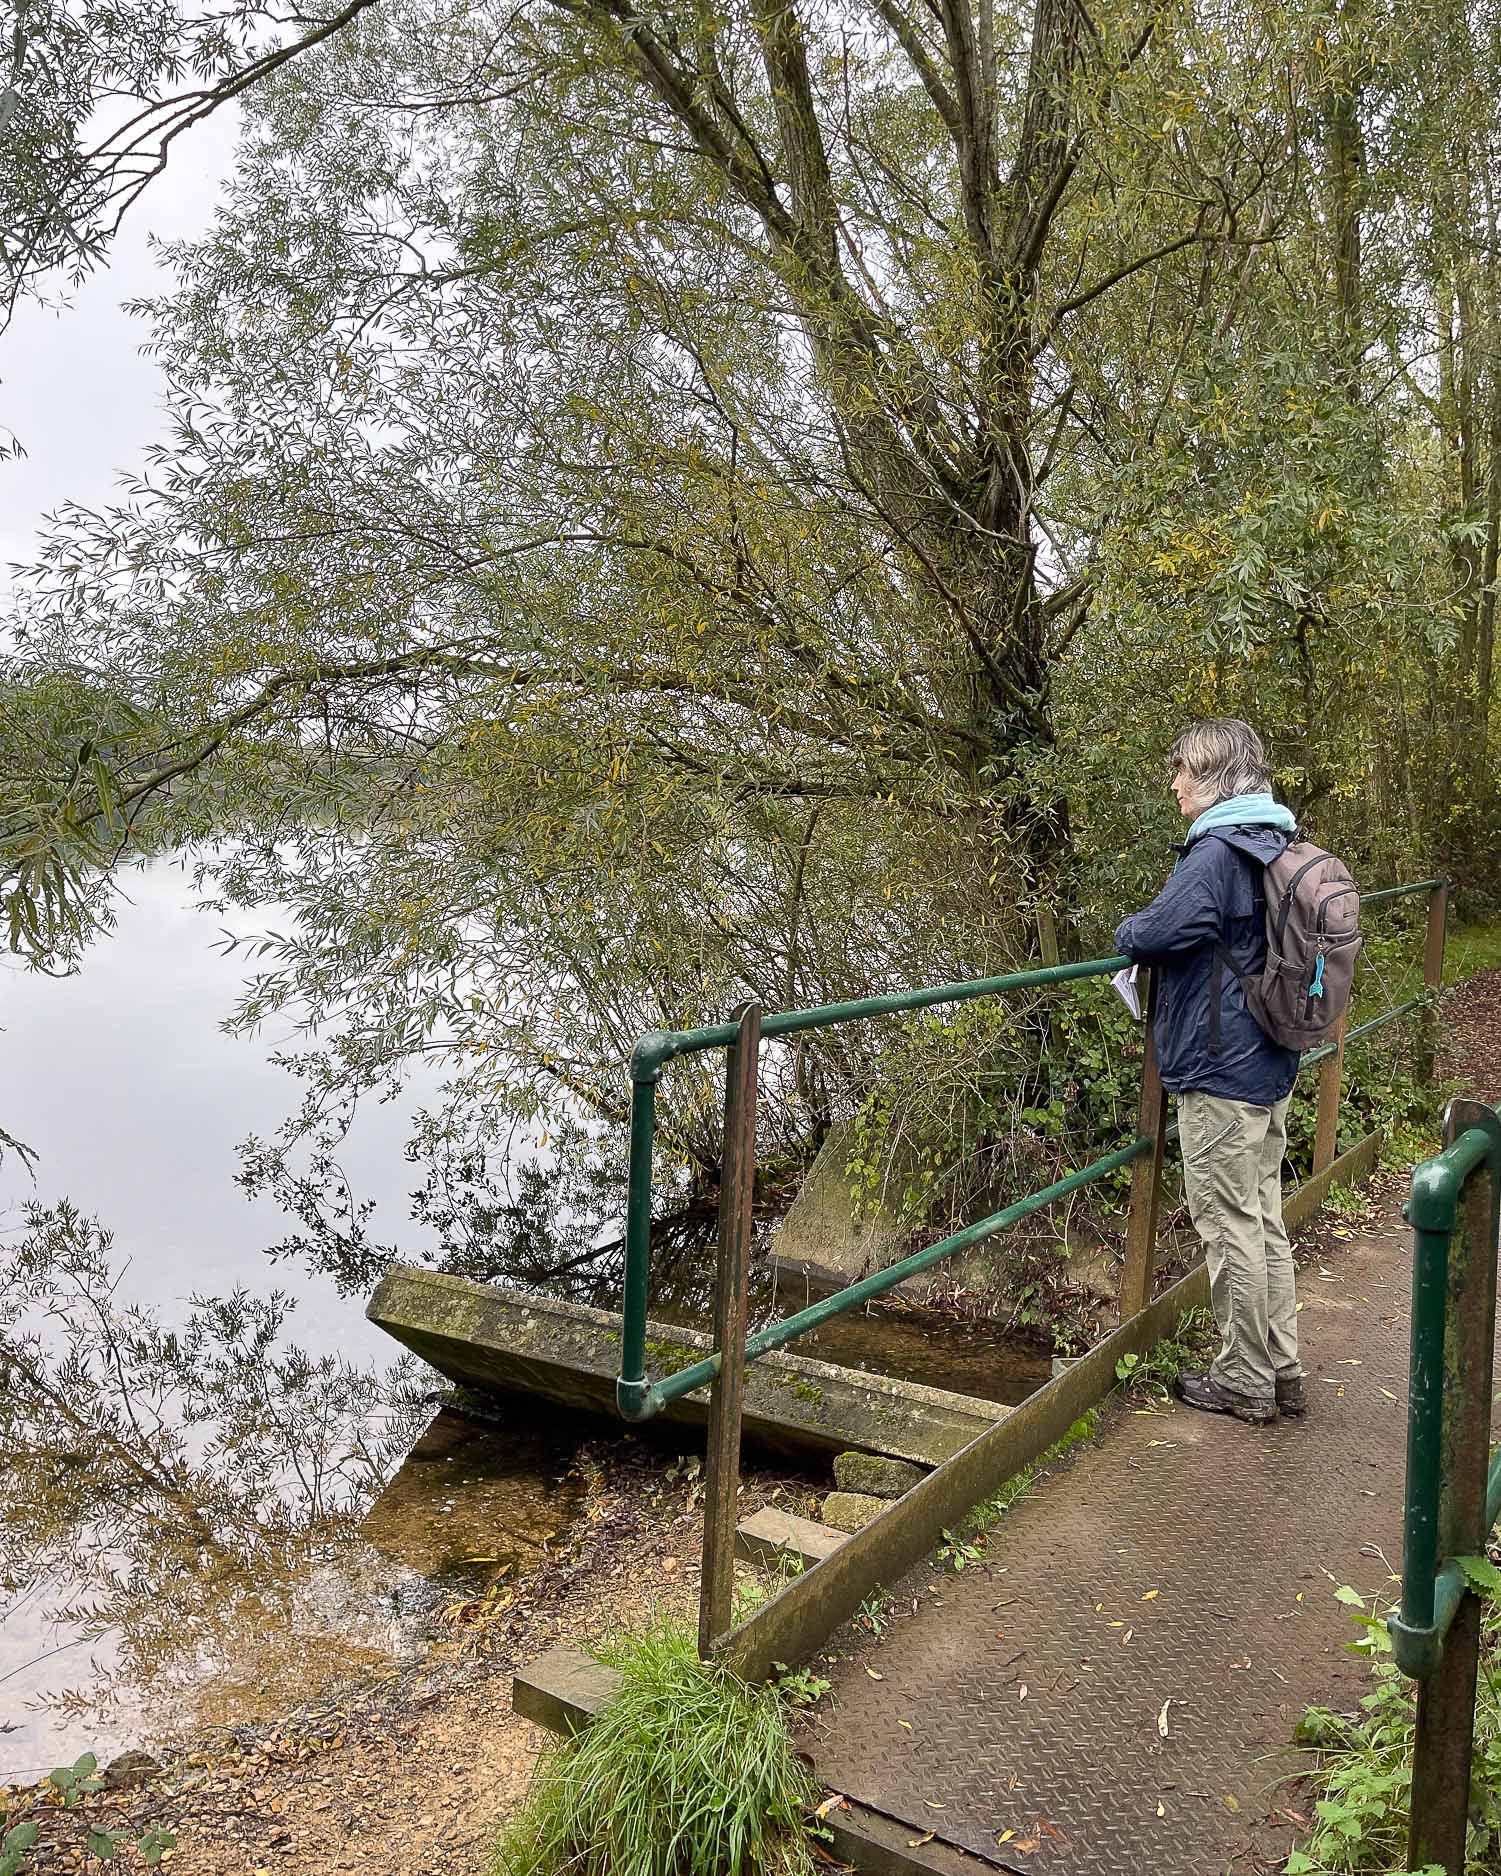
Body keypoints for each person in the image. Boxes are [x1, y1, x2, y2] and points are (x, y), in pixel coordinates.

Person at [1113, 718, 1306, 1427]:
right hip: (1266, 1056)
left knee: (1229, 1224)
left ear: (1213, 778)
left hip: (1221, 1065)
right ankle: (1280, 1369)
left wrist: (1125, 933)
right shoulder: (1271, 841)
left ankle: (1244, 1378)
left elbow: (1160, 930)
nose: (1173, 785)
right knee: (1261, 1218)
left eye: (1181, 773)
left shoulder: (1216, 854)